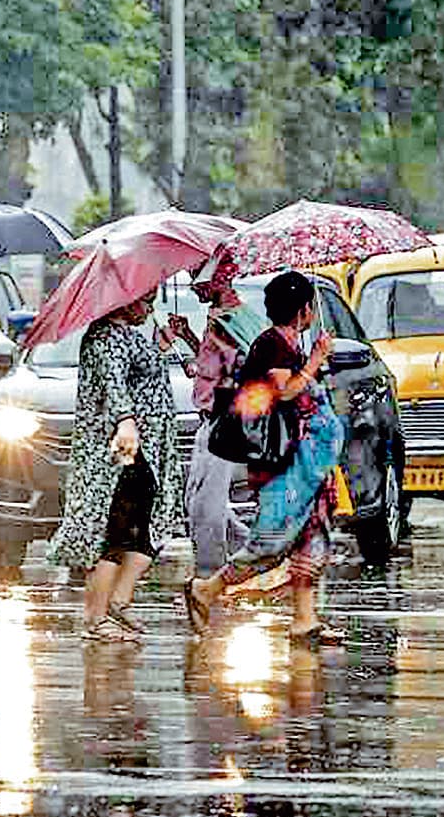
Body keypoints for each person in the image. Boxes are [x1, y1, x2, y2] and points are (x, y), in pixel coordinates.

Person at [184, 270, 346, 646]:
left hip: (305, 464)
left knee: (311, 536)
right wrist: (316, 360)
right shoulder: (271, 345)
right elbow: (285, 392)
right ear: (304, 309)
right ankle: (206, 589)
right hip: (282, 462)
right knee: (272, 540)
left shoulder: (289, 343)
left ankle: (305, 620)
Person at [47, 294, 184, 642]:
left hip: (147, 450)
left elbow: (140, 376)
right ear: (123, 302)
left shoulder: (128, 334)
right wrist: (126, 423)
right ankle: (95, 618)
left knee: (143, 529)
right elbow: (114, 384)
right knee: (115, 532)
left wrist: (161, 345)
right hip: (121, 452)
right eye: (144, 301)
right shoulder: (104, 337)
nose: (149, 308)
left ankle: (119, 603)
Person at [174, 254, 256, 578]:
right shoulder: (216, 317)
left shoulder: (232, 321)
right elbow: (213, 365)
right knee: (197, 499)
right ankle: (254, 558)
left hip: (224, 424)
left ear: (217, 279)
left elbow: (244, 368)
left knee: (205, 507)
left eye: (197, 278)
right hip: (208, 421)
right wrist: (190, 340)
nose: (194, 287)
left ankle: (210, 577)